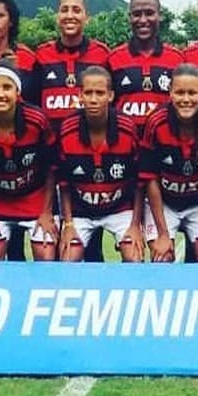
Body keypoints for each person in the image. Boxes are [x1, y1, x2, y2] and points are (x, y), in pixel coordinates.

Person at [139, 63, 198, 262]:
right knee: (162, 257)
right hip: (165, 203)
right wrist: (163, 234)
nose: (186, 99)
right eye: (180, 93)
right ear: (170, 93)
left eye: (192, 93)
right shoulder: (156, 123)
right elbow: (151, 180)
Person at [0, 63, 58, 260]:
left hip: (35, 198)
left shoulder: (37, 120)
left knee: (46, 253)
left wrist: (46, 212)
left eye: (7, 87)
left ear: (18, 91)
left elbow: (51, 169)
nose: (1, 94)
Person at [56, 66, 145, 262]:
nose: (94, 99)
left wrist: (135, 224)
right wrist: (68, 225)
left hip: (119, 209)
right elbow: (63, 185)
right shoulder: (67, 130)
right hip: (81, 212)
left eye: (100, 93)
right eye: (88, 93)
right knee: (67, 257)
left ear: (111, 95)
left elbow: (139, 183)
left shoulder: (127, 129)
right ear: (80, 95)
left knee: (135, 256)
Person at [34, 0, 112, 132]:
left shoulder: (103, 54)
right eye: (64, 10)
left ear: (87, 18)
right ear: (57, 16)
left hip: (86, 147)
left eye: (76, 10)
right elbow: (33, 103)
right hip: (51, 148)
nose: (70, 15)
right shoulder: (41, 54)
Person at [108, 0, 184, 128]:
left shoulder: (177, 60)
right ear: (129, 17)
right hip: (126, 147)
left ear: (160, 15)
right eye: (137, 14)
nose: (143, 20)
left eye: (149, 13)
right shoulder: (113, 59)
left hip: (164, 147)